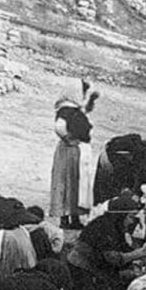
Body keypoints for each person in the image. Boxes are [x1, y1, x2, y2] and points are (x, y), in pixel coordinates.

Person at [50, 81, 98, 230]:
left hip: (74, 150)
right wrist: (68, 139)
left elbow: (85, 109)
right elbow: (59, 127)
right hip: (70, 151)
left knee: (75, 183)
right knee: (68, 181)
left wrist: (91, 99)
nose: (83, 95)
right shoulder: (66, 110)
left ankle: (74, 217)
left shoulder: (72, 108)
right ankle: (65, 218)